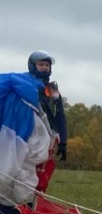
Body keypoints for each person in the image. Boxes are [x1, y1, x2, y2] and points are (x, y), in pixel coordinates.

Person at [26, 51, 68, 193]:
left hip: (49, 136)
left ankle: (34, 200)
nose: (44, 67)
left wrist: (63, 142)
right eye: (41, 64)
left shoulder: (52, 89)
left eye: (47, 65)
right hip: (29, 134)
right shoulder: (26, 84)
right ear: (33, 66)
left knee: (42, 170)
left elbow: (60, 115)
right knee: (26, 167)